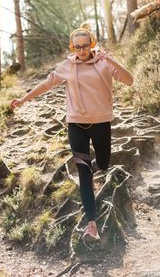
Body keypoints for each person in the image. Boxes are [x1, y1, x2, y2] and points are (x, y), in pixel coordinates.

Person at [10, 27, 133, 245]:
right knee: (83, 172)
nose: (82, 50)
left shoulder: (104, 62)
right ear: (72, 47)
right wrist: (22, 100)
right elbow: (46, 84)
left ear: (92, 43)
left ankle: (95, 169)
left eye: (86, 45)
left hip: (101, 123)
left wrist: (111, 60)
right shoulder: (67, 66)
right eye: (78, 47)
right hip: (76, 124)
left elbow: (129, 80)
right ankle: (92, 224)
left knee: (103, 163)